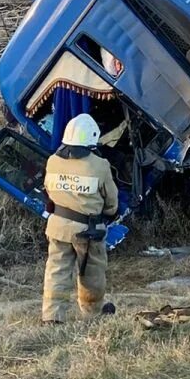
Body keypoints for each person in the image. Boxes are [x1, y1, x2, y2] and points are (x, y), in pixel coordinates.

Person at [41, 113, 119, 324]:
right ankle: (92, 314)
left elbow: (48, 189)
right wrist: (111, 212)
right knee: (91, 273)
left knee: (57, 270)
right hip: (88, 230)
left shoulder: (53, 161)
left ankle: (52, 316)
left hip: (58, 227)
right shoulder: (100, 165)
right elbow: (111, 201)